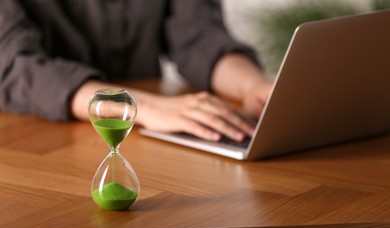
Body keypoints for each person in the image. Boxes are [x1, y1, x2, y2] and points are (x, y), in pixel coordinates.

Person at [0, 0, 272, 142]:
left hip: (144, 137)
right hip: (37, 137)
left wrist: (252, 86)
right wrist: (139, 106)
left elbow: (199, 35)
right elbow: (15, 66)